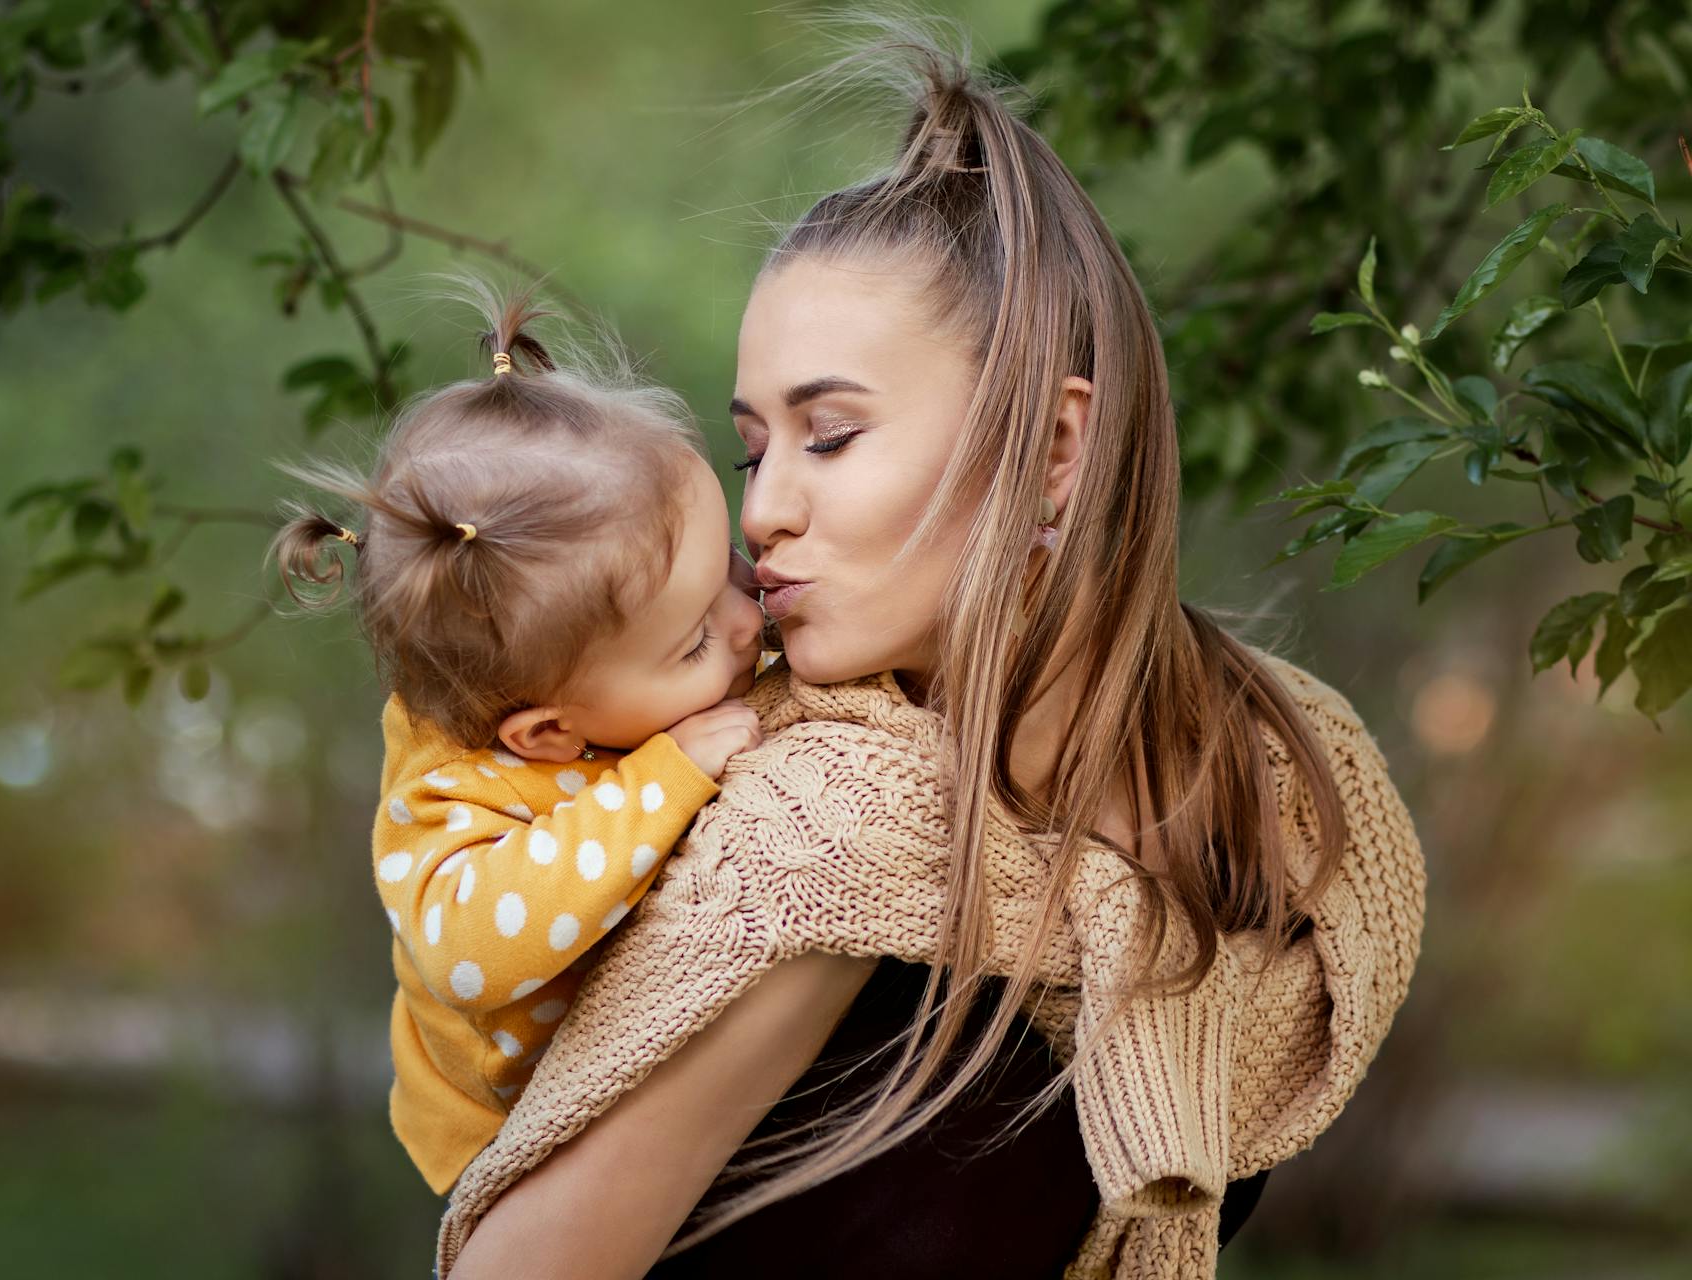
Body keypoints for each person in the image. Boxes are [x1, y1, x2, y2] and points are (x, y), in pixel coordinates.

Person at [438, 22, 1426, 1280]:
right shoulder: (826, 826)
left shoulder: (1288, 787)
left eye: (830, 435)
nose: (762, 510)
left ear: (1055, 448)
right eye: (754, 447)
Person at [270, 286, 768, 1198]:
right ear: (546, 733)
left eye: (730, 568)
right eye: (694, 638)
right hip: (504, 1134)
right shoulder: (447, 801)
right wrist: (664, 778)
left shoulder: (602, 679)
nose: (746, 622)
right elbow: (475, 951)